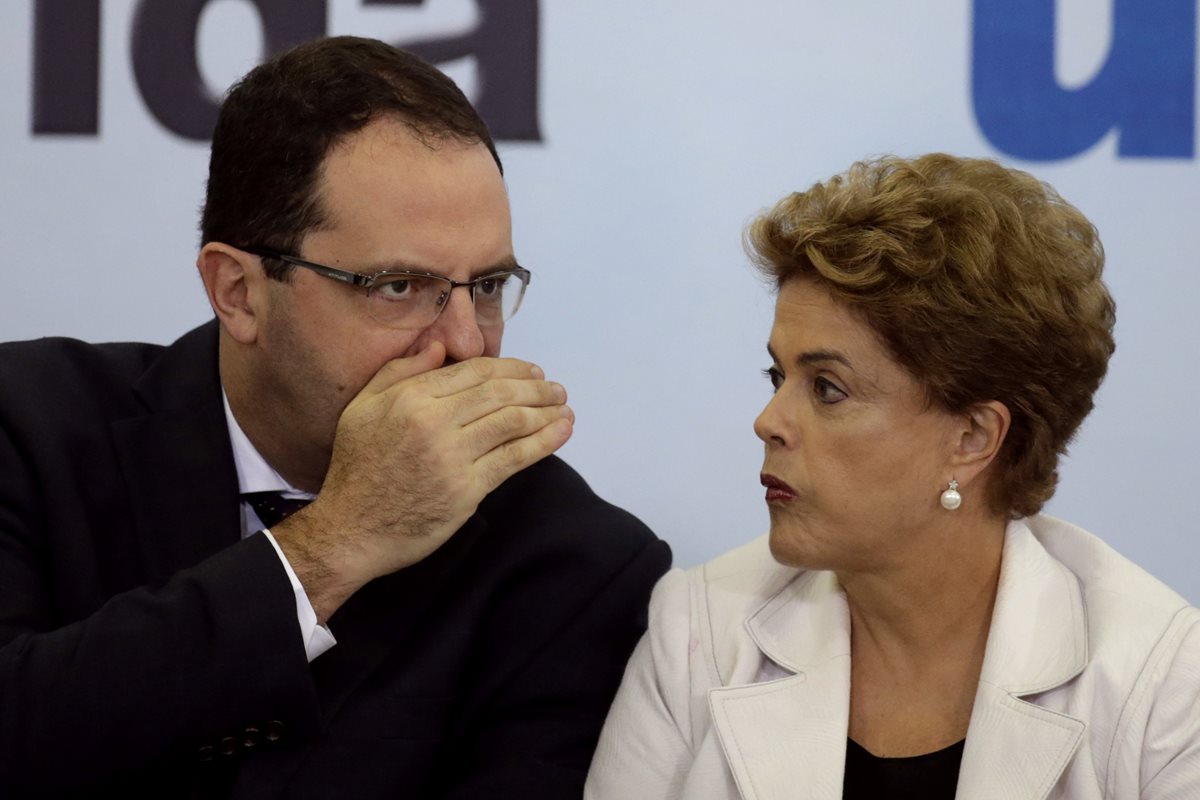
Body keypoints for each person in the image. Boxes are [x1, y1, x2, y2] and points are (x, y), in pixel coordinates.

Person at [0, 36, 669, 798]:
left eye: (486, 285)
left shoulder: (574, 563)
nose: (464, 343)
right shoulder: (29, 428)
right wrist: (335, 543)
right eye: (397, 287)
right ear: (239, 292)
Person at [585, 154, 1200, 798]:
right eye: (778, 377)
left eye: (827, 388)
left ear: (972, 437)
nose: (768, 421)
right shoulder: (699, 632)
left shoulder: (1159, 685)